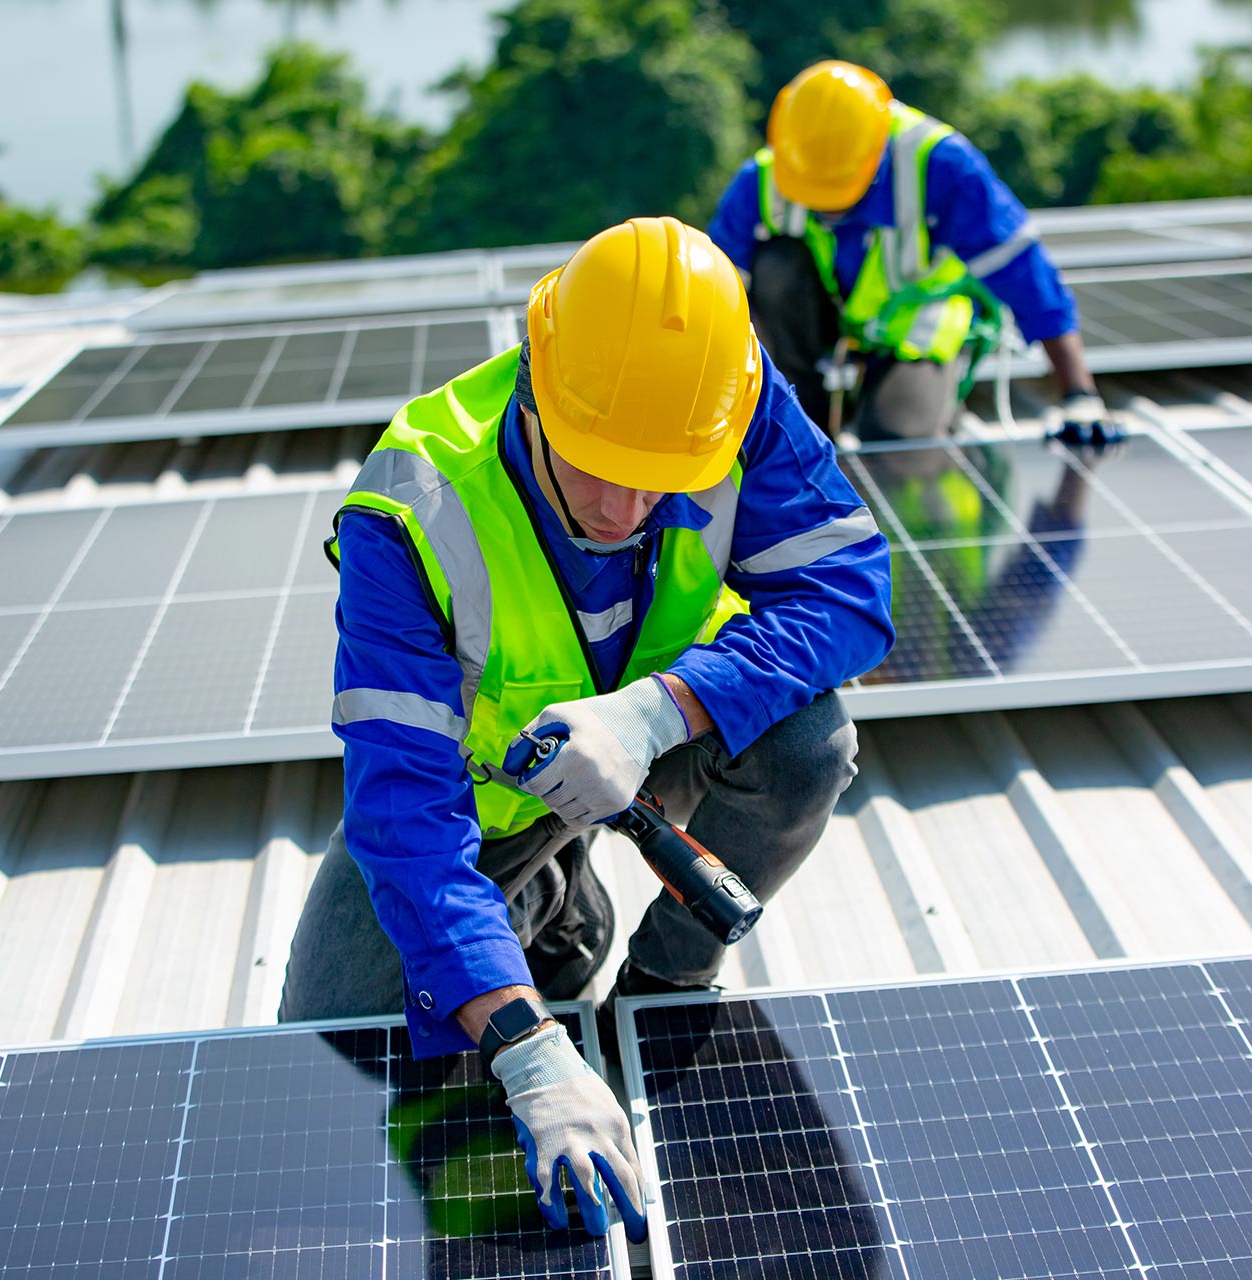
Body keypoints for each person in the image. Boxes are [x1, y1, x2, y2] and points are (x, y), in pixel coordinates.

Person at [277, 215, 896, 1242]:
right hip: (480, 807)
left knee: (809, 741)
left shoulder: (721, 396)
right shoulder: (414, 506)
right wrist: (527, 1050)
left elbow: (851, 593)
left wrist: (656, 710)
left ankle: (659, 984)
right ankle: (553, 906)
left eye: (662, 470)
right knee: (340, 1026)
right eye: (596, 460)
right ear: (539, 379)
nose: (626, 501)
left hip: (661, 736)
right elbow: (405, 813)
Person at [707, 59, 1118, 446]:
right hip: (819, 332)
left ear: (876, 150)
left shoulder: (941, 164)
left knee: (896, 440)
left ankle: (916, 403)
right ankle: (807, 415)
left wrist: (1078, 393)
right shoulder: (767, 173)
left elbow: (1020, 267)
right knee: (775, 271)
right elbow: (715, 295)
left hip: (917, 326)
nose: (828, 209)